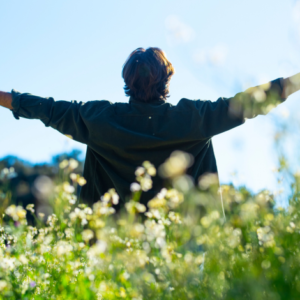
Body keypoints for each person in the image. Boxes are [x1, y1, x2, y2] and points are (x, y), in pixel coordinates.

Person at [0, 47, 300, 211]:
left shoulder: (99, 119)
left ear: (128, 81)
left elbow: (44, 107)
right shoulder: (193, 118)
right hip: (184, 249)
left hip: (115, 246)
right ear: (166, 80)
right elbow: (251, 101)